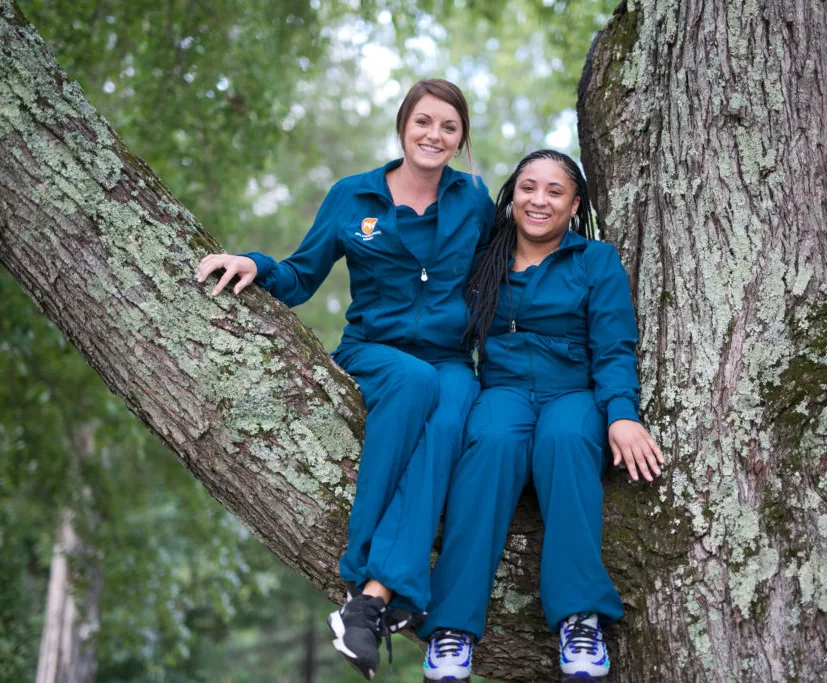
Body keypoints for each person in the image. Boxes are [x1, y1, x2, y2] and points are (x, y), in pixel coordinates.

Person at [195, 79, 495, 681]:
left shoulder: (475, 200)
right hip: (375, 353)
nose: (434, 135)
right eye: (423, 122)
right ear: (402, 127)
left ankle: (372, 601)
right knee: (413, 384)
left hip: (450, 359)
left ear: (461, 140)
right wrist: (253, 262)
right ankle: (363, 567)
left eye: (449, 127)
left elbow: (503, 275)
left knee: (454, 401)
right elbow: (304, 274)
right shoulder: (352, 196)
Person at [417, 150, 664, 682]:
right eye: (528, 187)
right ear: (512, 196)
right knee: (492, 447)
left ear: (574, 205)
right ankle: (452, 629)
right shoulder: (485, 255)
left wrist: (622, 414)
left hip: (573, 392)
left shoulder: (594, 260)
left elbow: (616, 345)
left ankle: (580, 620)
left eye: (555, 191)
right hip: (503, 390)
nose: (539, 200)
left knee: (566, 442)